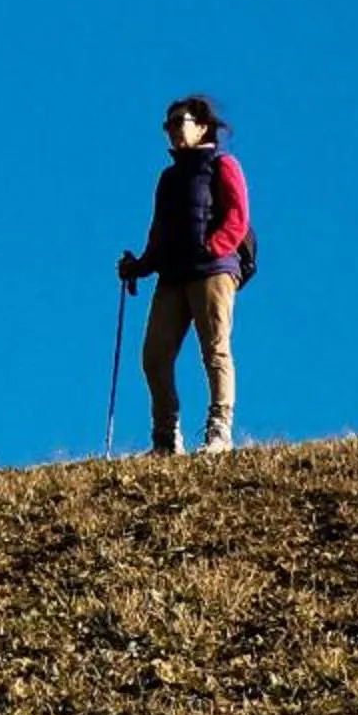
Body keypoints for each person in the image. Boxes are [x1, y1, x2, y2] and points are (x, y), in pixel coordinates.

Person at [117, 94, 249, 455]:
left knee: (215, 350)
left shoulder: (222, 165)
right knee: (154, 356)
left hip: (212, 271)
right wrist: (140, 266)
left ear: (202, 126)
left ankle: (219, 431)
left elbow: (237, 217)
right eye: (169, 124)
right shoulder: (169, 179)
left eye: (180, 122)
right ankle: (165, 438)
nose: (173, 130)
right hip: (173, 275)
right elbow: (158, 232)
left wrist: (213, 249)